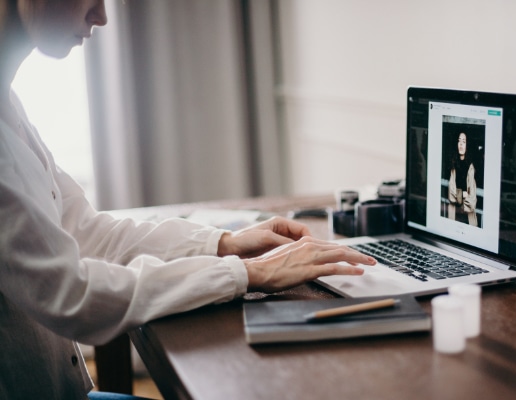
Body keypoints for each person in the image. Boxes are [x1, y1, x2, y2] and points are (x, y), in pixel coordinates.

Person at [0, 1, 376, 398]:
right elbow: (71, 295)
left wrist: (223, 244)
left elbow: (86, 231)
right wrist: (249, 273)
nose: (101, 16)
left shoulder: (10, 105)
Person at [447, 132, 478, 226]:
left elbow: (472, 199)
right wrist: (462, 194)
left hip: (467, 215)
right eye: (459, 141)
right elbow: (451, 194)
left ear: (467, 145)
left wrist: (459, 196)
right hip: (454, 212)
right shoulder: (453, 165)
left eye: (463, 141)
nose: (461, 144)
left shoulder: (470, 166)